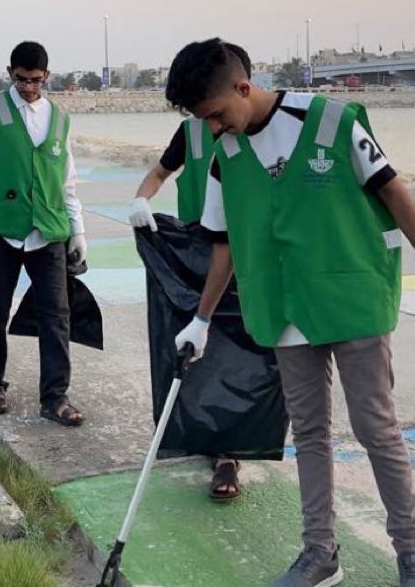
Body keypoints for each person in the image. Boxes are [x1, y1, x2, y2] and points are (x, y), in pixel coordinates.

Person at [164, 39, 415, 587]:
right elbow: (224, 243)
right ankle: (320, 553)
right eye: (202, 120)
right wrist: (202, 319)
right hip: (281, 307)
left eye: (216, 114)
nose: (211, 128)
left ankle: (412, 552)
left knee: (376, 428)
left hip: (351, 300)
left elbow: (395, 192)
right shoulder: (224, 156)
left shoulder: (330, 121)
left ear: (242, 87)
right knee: (308, 433)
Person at [128, 41, 252, 501]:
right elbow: (159, 173)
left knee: (238, 354)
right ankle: (198, 431)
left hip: (243, 255)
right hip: (197, 253)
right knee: (195, 347)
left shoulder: (255, 132)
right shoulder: (192, 132)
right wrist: (141, 200)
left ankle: (229, 453)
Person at [0, 41, 89, 426]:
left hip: (49, 231)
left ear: (47, 76)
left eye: (35, 80)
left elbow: (67, 181)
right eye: (21, 79)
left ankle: (55, 397)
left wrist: (78, 231)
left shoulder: (59, 118)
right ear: (9, 73)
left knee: (57, 315)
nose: (28, 87)